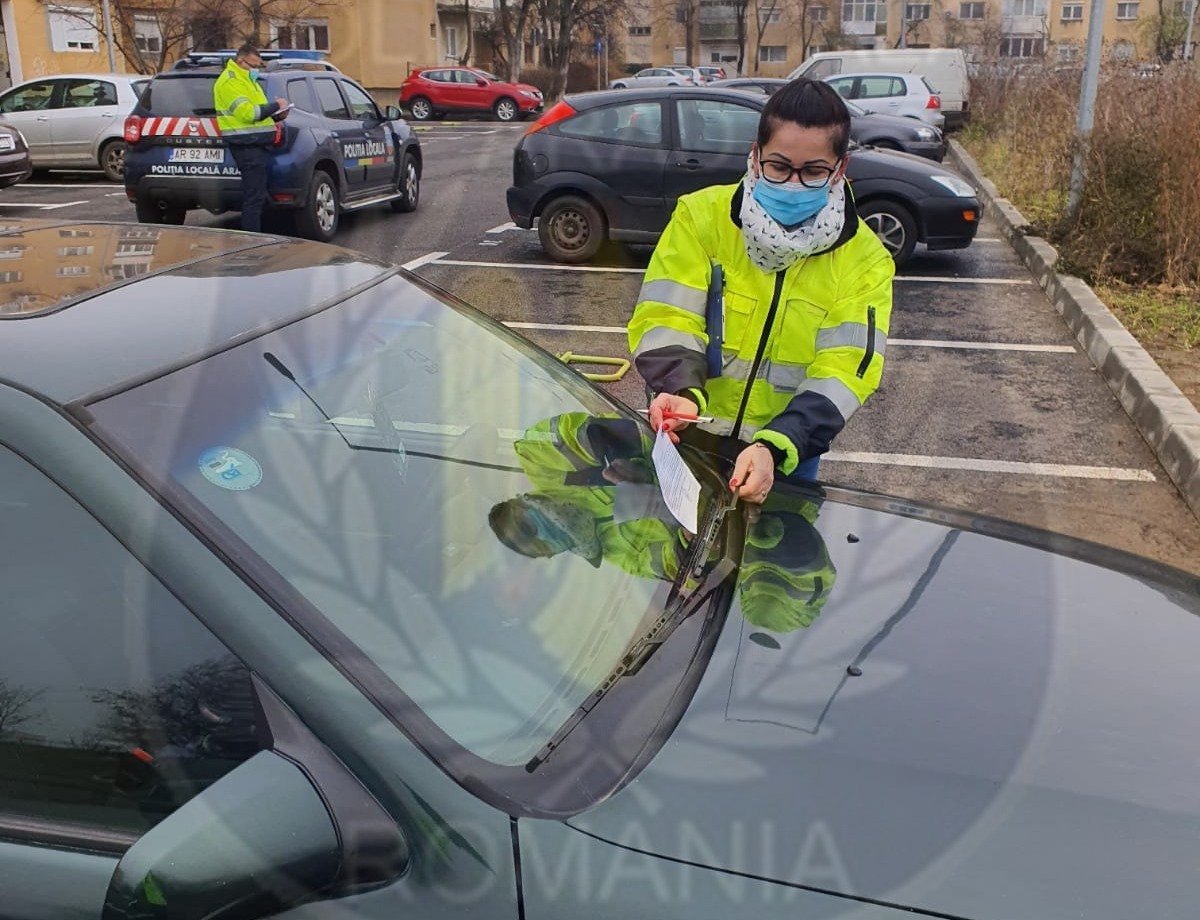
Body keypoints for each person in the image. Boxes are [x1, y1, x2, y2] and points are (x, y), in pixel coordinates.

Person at [628, 77, 894, 506]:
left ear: (839, 170)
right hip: (690, 436)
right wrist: (680, 389)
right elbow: (667, 315)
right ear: (755, 157)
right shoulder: (701, 218)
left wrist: (776, 444)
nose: (792, 183)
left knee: (775, 570)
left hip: (782, 455)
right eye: (778, 166)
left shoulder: (865, 260)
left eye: (812, 172)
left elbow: (845, 370)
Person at [213, 44, 289, 232]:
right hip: (246, 146)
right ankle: (251, 239)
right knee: (253, 197)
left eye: (258, 65)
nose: (256, 69)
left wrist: (278, 115)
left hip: (258, 144)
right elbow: (248, 114)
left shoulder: (247, 80)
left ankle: (260, 236)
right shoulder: (230, 82)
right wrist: (275, 105)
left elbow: (260, 113)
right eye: (253, 65)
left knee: (259, 196)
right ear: (240, 61)